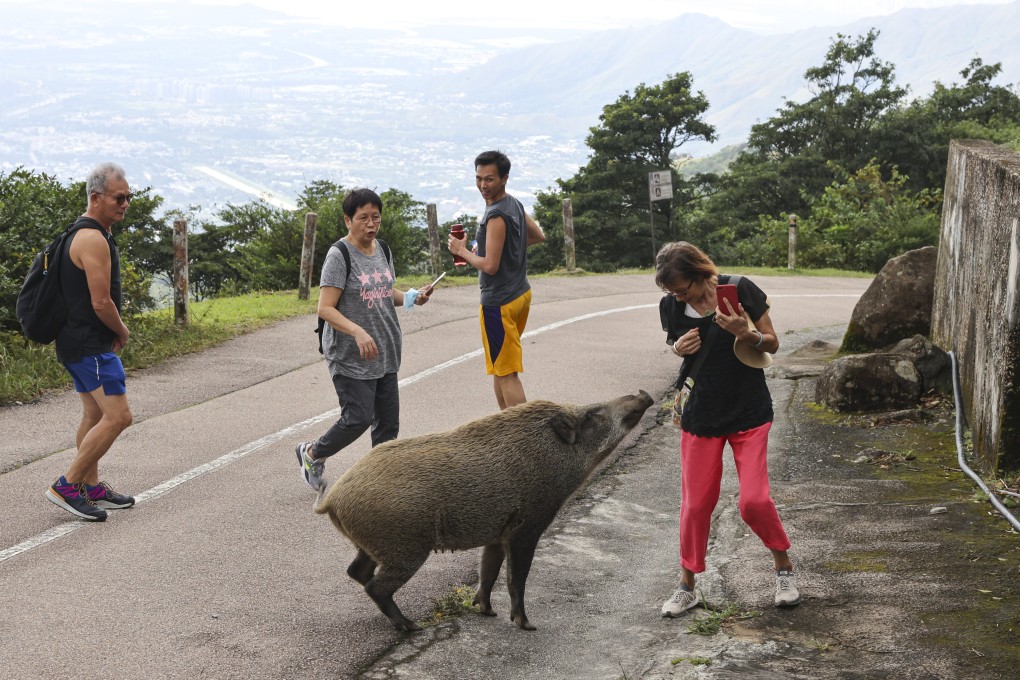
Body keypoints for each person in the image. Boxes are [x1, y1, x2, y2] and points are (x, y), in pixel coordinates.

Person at [655, 241, 801, 615]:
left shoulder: (739, 290)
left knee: (754, 500)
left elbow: (772, 342)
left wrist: (745, 333)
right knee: (696, 505)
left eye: (682, 288)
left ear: (700, 273)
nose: (677, 295)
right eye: (672, 291)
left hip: (748, 410)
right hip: (701, 413)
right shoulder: (671, 306)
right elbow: (676, 345)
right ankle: (687, 585)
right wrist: (678, 350)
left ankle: (783, 569)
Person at [295, 188, 433, 491]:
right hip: (349, 354)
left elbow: (384, 293)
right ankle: (312, 452)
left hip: (385, 349)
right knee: (357, 418)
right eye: (363, 218)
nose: (371, 225)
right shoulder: (339, 255)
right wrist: (357, 331)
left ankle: (381, 484)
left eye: (376, 218)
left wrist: (412, 297)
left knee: (387, 425)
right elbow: (325, 308)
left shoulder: (382, 249)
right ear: (348, 220)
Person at [45, 162, 136, 522]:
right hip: (91, 345)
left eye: (129, 196)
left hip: (75, 343)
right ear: (96, 198)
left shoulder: (81, 233)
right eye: (119, 197)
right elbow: (101, 302)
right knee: (120, 416)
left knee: (94, 414)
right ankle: (67, 485)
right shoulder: (92, 238)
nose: (125, 203)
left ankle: (91, 486)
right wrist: (122, 330)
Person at [447, 150, 545, 410]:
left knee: (507, 373)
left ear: (504, 178)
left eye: (489, 179)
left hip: (498, 303)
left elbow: (490, 266)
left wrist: (462, 252)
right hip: (520, 294)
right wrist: (498, 248)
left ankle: (525, 436)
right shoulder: (514, 203)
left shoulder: (495, 215)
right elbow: (536, 236)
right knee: (499, 368)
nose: (483, 186)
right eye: (478, 179)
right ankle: (505, 427)